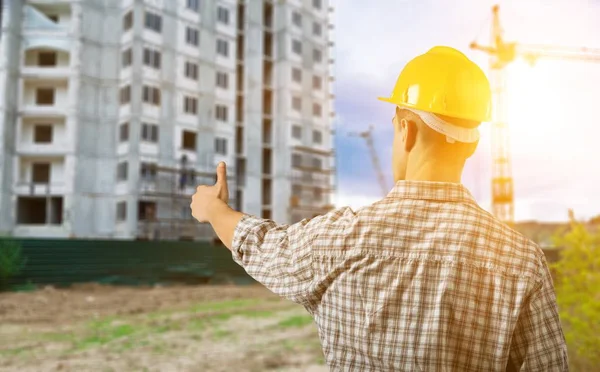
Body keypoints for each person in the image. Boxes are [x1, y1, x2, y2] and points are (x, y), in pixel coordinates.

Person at [190, 46, 568, 371]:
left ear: (406, 129)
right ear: (471, 144)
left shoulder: (340, 238)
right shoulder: (521, 262)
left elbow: (260, 244)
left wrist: (212, 208)